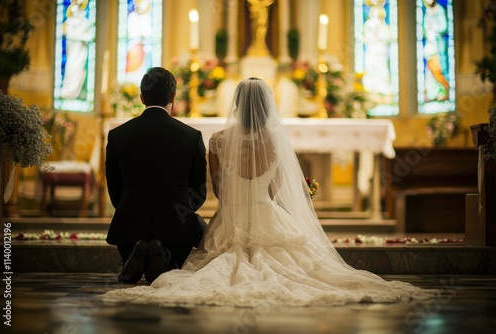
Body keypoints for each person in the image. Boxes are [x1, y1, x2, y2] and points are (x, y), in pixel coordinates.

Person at [101, 78, 435, 305]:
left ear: (236, 104)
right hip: (267, 213)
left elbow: (217, 191)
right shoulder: (276, 141)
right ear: (266, 106)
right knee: (306, 266)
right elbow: (275, 190)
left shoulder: (217, 140)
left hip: (229, 221)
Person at [105, 67, 207, 284]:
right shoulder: (191, 136)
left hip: (130, 224)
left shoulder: (118, 135)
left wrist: (127, 208)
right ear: (173, 97)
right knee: (185, 232)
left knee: (132, 226)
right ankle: (167, 258)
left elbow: (114, 188)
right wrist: (182, 212)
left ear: (141, 97)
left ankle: (134, 255)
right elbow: (199, 191)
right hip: (176, 227)